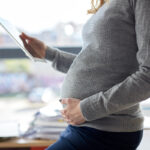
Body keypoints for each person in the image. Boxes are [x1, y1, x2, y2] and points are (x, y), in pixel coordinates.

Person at [19, 0, 150, 149]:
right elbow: (97, 68)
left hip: (107, 131)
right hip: (84, 126)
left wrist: (86, 109)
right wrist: (48, 54)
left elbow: (148, 77)